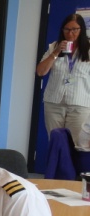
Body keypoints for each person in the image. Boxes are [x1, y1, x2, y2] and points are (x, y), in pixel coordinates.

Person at [36, 13, 90, 148]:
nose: (70, 33)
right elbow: (41, 71)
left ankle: (75, 170)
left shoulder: (88, 49)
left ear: (81, 30)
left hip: (80, 104)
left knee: (78, 144)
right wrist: (56, 53)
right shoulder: (53, 47)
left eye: (74, 29)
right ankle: (57, 170)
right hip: (54, 103)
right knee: (56, 143)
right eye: (67, 29)